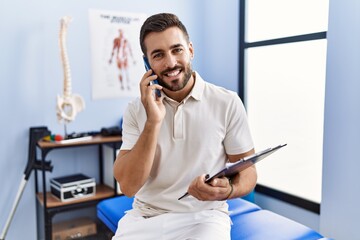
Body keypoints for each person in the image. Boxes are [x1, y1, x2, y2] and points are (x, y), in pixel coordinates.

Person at [113, 13, 257, 240]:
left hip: (205, 217)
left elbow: (248, 170)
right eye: (158, 55)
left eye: (176, 49)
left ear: (190, 50)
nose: (170, 63)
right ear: (146, 63)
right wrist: (153, 120)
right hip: (146, 217)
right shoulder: (135, 110)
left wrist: (228, 190)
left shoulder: (227, 102)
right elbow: (129, 186)